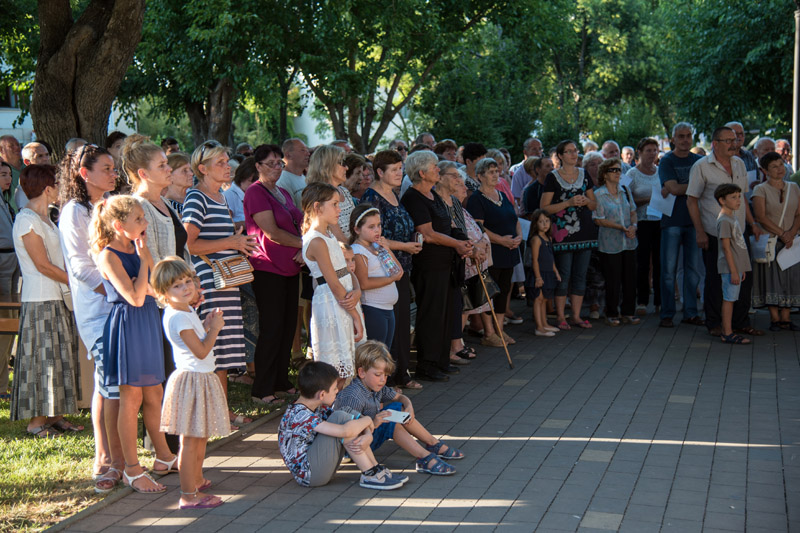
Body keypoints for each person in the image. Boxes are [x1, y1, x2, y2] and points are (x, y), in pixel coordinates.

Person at [91, 195, 177, 493]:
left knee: (154, 393)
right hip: (128, 326)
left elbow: (154, 287)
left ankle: (164, 456)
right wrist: (142, 263)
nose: (145, 224)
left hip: (148, 323)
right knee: (132, 399)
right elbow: (136, 296)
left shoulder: (142, 248)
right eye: (139, 219)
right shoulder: (108, 255)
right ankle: (131, 468)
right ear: (118, 224)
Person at [58, 144, 125, 493]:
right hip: (99, 309)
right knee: (109, 383)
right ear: (85, 174)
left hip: (124, 306)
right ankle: (105, 460)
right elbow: (81, 268)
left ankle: (117, 457)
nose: (115, 174)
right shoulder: (74, 211)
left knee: (112, 385)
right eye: (107, 168)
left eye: (115, 168)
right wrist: (120, 291)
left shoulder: (112, 206)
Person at [183, 140, 257, 429]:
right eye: (221, 163)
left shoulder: (221, 197)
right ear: (202, 169)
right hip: (209, 284)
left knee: (223, 353)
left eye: (228, 162)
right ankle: (214, 415)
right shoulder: (197, 197)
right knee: (213, 351)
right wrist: (232, 241)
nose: (228, 167)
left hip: (224, 282)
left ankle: (221, 413)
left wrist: (235, 242)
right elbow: (189, 243)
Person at [152, 257, 229, 509]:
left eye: (188, 282)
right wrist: (215, 329)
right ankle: (188, 494)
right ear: (164, 292)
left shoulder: (186, 310)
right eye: (177, 285)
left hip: (200, 379)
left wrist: (206, 325)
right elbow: (201, 351)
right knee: (191, 440)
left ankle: (196, 479)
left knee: (200, 435)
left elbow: (196, 341)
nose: (186, 288)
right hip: (193, 380)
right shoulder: (178, 317)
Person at [10, 164, 80, 437]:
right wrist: (75, 282)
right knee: (44, 360)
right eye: (59, 184)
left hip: (57, 297)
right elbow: (42, 265)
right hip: (40, 299)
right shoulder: (26, 219)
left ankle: (55, 416)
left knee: (61, 356)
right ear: (48, 188)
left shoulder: (48, 217)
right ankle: (36, 422)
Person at [335, 341, 462, 476]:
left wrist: (409, 407)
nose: (382, 380)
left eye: (386, 375)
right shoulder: (353, 396)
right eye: (378, 375)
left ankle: (432, 443)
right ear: (361, 372)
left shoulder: (374, 386)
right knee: (391, 422)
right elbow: (349, 432)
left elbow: (400, 398)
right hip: (354, 447)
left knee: (397, 408)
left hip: (368, 435)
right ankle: (424, 457)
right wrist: (374, 423)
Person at [278, 361, 407, 490]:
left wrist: (368, 433)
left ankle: (374, 468)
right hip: (311, 475)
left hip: (318, 466)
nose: (337, 391)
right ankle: (369, 474)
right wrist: (368, 420)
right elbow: (345, 431)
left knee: (344, 414)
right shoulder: (299, 415)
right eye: (335, 388)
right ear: (322, 394)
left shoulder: (315, 407)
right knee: (341, 418)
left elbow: (351, 416)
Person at [401, 150, 472, 382]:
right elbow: (428, 233)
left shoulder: (433, 194)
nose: (438, 170)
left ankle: (441, 359)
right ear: (421, 172)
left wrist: (462, 239)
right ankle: (427, 364)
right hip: (429, 265)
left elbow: (448, 224)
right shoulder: (413, 197)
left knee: (445, 312)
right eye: (434, 167)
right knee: (431, 314)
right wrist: (458, 244)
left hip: (446, 263)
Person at [687, 126, 764, 337]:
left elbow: (744, 199)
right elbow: (692, 201)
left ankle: (740, 322)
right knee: (715, 279)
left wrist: (753, 223)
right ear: (715, 143)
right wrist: (700, 232)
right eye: (728, 140)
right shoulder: (701, 166)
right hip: (714, 232)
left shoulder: (739, 163)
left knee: (743, 277)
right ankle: (714, 323)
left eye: (735, 140)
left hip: (740, 232)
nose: (734, 144)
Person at [245, 144, 304, 405]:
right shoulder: (256, 193)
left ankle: (281, 380)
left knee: (288, 325)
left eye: (280, 162)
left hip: (291, 267)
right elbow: (272, 232)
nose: (277, 167)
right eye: (271, 163)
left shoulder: (281, 192)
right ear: (257, 166)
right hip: (267, 267)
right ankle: (262, 387)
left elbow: (296, 222)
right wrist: (307, 245)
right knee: (272, 327)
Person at [361, 151, 423, 389]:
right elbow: (375, 236)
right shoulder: (371, 197)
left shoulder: (396, 194)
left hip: (402, 266)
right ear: (379, 171)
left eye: (401, 168)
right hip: (382, 269)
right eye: (395, 169)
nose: (400, 173)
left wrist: (412, 242)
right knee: (388, 327)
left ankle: (401, 374)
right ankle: (385, 379)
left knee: (402, 323)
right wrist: (405, 246)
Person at [302, 182, 364, 388]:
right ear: (318, 207)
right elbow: (333, 283)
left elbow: (346, 270)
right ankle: (332, 409)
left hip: (346, 300)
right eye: (335, 204)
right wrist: (355, 315)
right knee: (336, 367)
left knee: (349, 360)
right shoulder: (316, 241)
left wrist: (357, 290)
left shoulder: (329, 236)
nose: (339, 209)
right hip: (333, 303)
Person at [436, 161, 492, 356]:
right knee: (456, 305)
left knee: (462, 304)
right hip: (451, 259)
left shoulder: (456, 204)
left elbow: (465, 230)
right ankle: (452, 348)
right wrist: (472, 247)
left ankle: (456, 345)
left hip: (465, 257)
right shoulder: (440, 202)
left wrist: (479, 245)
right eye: (456, 177)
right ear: (440, 177)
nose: (461, 182)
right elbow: (451, 232)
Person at [540, 140, 598, 329]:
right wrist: (568, 203)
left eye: (575, 151)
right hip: (563, 233)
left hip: (585, 232)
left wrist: (584, 201)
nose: (574, 154)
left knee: (580, 275)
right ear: (561, 155)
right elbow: (544, 208)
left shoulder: (584, 174)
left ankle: (576, 316)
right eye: (569, 151)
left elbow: (594, 204)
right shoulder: (553, 177)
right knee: (564, 275)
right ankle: (560, 317)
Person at [466, 157, 521, 344]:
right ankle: (489, 333)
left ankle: (500, 329)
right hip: (492, 252)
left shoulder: (502, 195)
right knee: (491, 291)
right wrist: (501, 240)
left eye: (497, 171)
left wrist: (518, 236)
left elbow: (514, 218)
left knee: (504, 290)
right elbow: (478, 228)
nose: (495, 175)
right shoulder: (476, 199)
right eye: (491, 172)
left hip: (510, 250)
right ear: (480, 176)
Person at [658, 123, 704, 328]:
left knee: (693, 270)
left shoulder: (700, 161)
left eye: (688, 136)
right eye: (681, 136)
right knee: (668, 271)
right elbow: (673, 188)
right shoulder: (667, 161)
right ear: (673, 139)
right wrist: (696, 186)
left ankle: (690, 313)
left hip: (695, 221)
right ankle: (667, 314)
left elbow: (679, 187)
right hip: (672, 222)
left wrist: (679, 187)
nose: (685, 140)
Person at [751, 152, 800, 330]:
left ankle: (786, 318)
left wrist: (792, 234)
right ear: (765, 170)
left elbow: (798, 213)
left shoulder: (794, 187)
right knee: (771, 278)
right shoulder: (760, 189)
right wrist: (782, 234)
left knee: (790, 277)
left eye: (781, 164)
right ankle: (774, 318)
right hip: (770, 240)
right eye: (774, 166)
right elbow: (761, 217)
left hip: (791, 240)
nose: (780, 169)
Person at [593, 158, 640, 326]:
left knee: (630, 278)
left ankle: (628, 311)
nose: (618, 173)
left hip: (628, 241)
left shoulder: (625, 190)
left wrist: (633, 226)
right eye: (614, 170)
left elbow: (633, 211)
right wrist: (620, 227)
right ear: (605, 174)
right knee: (612, 279)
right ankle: (611, 312)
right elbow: (598, 219)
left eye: (619, 170)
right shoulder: (598, 194)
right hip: (609, 243)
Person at [349, 204, 402, 349]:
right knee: (376, 355)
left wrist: (388, 249)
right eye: (371, 227)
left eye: (379, 225)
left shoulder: (377, 247)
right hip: (373, 308)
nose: (377, 230)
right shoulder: (358, 251)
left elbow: (399, 271)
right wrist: (391, 279)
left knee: (385, 353)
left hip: (388, 308)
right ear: (357, 229)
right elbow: (364, 283)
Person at [626, 138, 662, 315]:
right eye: (648, 150)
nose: (652, 154)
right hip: (641, 221)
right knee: (642, 263)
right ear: (639, 152)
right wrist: (648, 199)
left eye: (655, 150)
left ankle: (660, 301)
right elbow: (625, 198)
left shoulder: (661, 171)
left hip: (659, 221)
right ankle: (642, 300)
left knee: (660, 262)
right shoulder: (632, 174)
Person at [714, 184, 751, 344]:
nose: (738, 200)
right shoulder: (724, 220)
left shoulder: (732, 217)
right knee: (729, 299)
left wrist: (739, 268)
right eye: (733, 197)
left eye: (739, 196)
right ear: (722, 200)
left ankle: (728, 330)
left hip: (736, 267)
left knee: (732, 297)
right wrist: (734, 270)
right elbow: (726, 248)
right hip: (730, 268)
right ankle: (727, 332)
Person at [307, 144, 355, 240]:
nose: (347, 168)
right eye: (342, 163)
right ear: (327, 165)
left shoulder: (344, 191)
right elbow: (339, 237)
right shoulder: (320, 196)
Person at [0, 161, 18, 399]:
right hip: (2, 262)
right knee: (3, 326)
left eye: (8, 175)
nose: (8, 179)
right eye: (2, 174)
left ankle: (3, 383)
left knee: (9, 327)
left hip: (11, 262)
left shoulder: (5, 200)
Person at [528, 209, 561, 336]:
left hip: (548, 272)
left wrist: (556, 272)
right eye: (541, 221)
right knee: (538, 299)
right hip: (540, 273)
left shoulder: (548, 238)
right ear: (535, 224)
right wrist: (537, 277)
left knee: (545, 299)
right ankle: (539, 327)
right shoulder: (536, 239)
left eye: (547, 221)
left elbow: (550, 258)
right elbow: (535, 260)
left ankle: (545, 323)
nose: (545, 224)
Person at [222, 156, 257, 230]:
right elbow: (224, 226)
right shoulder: (229, 196)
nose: (254, 185)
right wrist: (250, 223)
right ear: (242, 177)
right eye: (251, 181)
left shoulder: (255, 193)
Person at [277, 138, 310, 209]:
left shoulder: (304, 178)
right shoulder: (282, 181)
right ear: (288, 155)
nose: (308, 153)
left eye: (307, 150)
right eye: (302, 150)